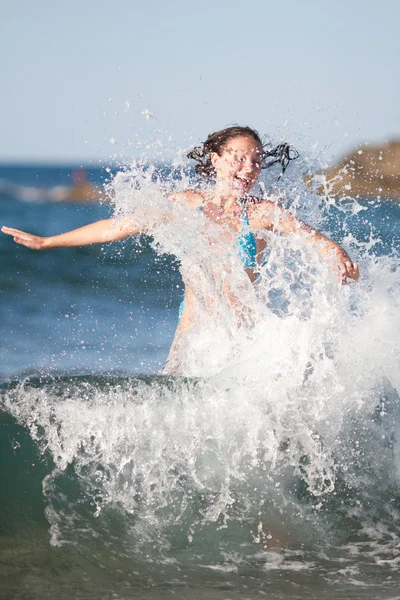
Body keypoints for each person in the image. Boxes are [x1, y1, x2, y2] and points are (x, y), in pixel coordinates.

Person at [1, 126, 359, 375]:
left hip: (246, 344)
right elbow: (119, 227)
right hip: (192, 342)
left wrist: (338, 256)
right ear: (216, 160)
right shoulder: (185, 205)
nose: (248, 168)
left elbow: (312, 238)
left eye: (255, 161)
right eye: (238, 158)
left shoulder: (262, 213)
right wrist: (49, 241)